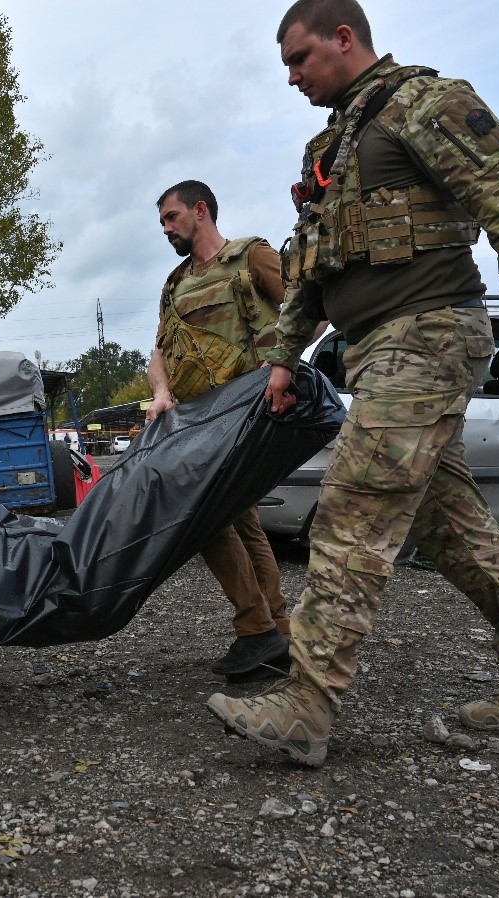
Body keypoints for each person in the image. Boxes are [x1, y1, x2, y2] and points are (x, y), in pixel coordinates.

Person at [207, 0, 499, 766]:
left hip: (429, 331)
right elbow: (310, 265)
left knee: (351, 507)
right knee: (450, 525)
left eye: (300, 58)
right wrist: (283, 357)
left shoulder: (424, 102)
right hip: (375, 346)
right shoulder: (332, 147)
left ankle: (308, 704)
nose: (292, 77)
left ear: (344, 38)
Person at [146, 180, 291, 678]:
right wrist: (161, 392)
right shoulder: (174, 283)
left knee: (203, 518)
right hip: (199, 420)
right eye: (162, 221)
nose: (166, 228)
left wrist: (282, 364)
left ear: (200, 210)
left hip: (248, 414)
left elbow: (306, 311)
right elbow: (159, 350)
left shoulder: (251, 257)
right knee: (243, 523)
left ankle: (257, 631)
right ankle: (278, 633)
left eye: (172, 217)